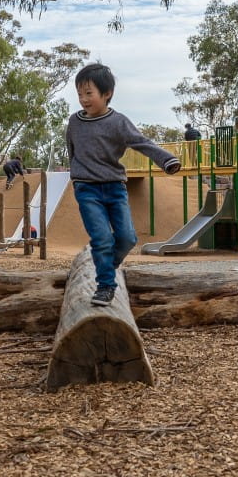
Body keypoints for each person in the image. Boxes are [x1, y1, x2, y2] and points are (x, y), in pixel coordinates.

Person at [66, 63, 180, 306]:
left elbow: (142, 142)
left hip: (115, 188)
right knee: (102, 238)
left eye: (89, 93)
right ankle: (106, 286)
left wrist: (167, 160)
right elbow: (72, 150)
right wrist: (76, 176)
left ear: (107, 94)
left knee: (127, 238)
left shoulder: (118, 122)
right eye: (80, 94)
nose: (84, 99)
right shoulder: (74, 122)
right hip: (86, 188)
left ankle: (105, 265)